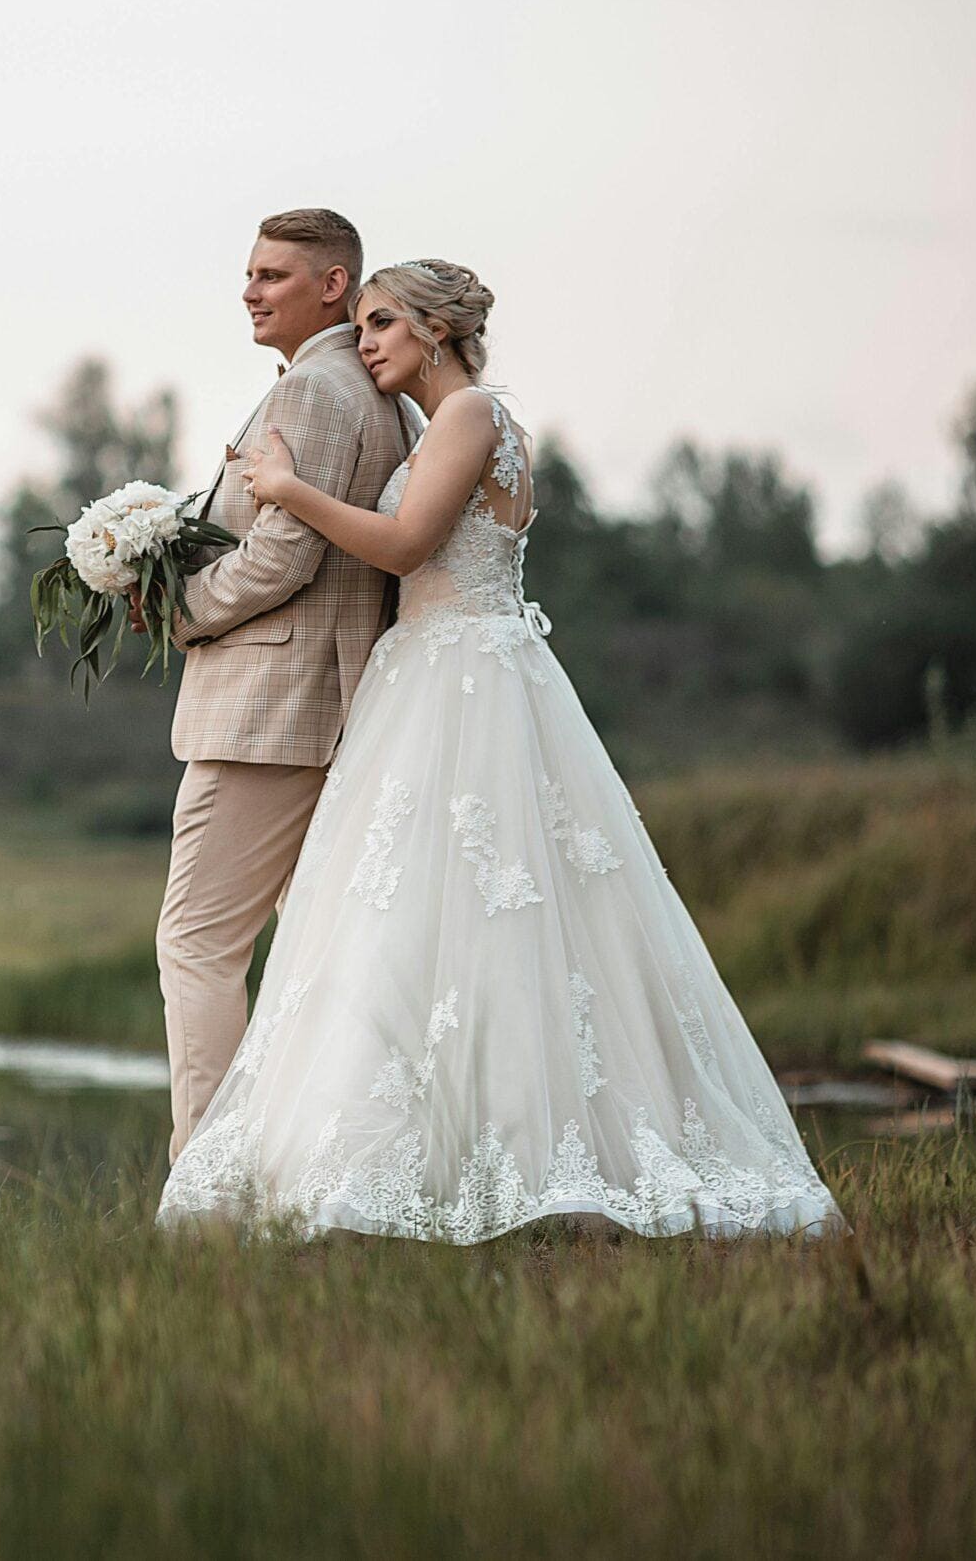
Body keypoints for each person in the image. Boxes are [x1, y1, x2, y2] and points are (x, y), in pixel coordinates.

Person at [156, 258, 842, 1241]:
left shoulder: (473, 413)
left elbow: (401, 545)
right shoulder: (454, 424)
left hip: (459, 679)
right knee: (437, 921)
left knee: (473, 913)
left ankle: (505, 1153)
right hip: (446, 668)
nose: (369, 345)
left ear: (436, 327)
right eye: (360, 328)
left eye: (383, 323)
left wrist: (286, 490)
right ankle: (435, 1137)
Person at [152, 209, 412, 1163]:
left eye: (273, 275)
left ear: (334, 285)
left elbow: (280, 559)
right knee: (318, 960)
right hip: (332, 704)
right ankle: (322, 1167)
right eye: (248, 274)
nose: (251, 291)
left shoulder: (315, 390)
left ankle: (208, 1178)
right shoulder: (377, 391)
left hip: (270, 711)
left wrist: (177, 609)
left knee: (197, 946)